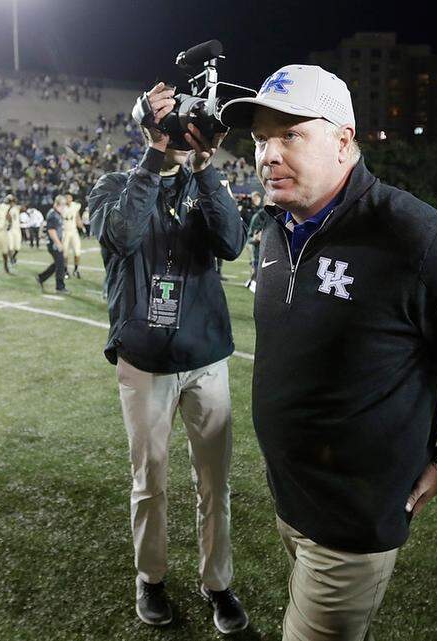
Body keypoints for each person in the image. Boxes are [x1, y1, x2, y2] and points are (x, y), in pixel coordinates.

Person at [219, 64, 437, 641]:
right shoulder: (277, 225)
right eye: (262, 139)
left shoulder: (416, 237)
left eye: (291, 135)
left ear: (344, 142)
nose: (268, 155)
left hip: (353, 519)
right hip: (291, 497)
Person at [88, 81, 249, 634]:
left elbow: (232, 243)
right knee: (149, 480)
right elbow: (123, 235)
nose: (181, 134)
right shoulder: (115, 185)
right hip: (145, 360)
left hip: (205, 357)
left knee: (215, 483)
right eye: (171, 127)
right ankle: (150, 578)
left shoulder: (202, 184)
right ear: (149, 129)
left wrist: (205, 168)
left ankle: (217, 583)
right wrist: (156, 155)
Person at [36, 196, 67, 292]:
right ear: (57, 204)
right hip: (54, 244)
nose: (64, 207)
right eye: (62, 205)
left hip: (55, 243)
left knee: (58, 264)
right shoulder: (53, 215)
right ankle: (60, 287)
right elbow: (51, 230)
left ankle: (41, 277)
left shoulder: (56, 214)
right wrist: (58, 243)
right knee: (60, 265)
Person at [60, 193, 86, 279]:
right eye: (66, 198)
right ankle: (65, 270)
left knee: (77, 251)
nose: (68, 199)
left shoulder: (75, 206)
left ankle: (76, 269)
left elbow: (77, 217)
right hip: (64, 231)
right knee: (65, 253)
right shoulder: (61, 207)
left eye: (69, 197)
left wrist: (81, 226)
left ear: (71, 198)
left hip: (74, 231)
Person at [244, 193, 266, 292]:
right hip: (258, 251)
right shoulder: (258, 216)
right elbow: (249, 238)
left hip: (272, 252)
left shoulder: (280, 216)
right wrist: (255, 238)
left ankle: (251, 281)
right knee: (256, 269)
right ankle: (252, 282)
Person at [6, 194, 23, 265]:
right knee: (10, 246)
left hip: (17, 229)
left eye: (12, 201)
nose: (12, 203)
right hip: (10, 229)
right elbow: (7, 217)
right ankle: (11, 259)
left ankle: (13, 256)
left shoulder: (17, 208)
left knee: (18, 247)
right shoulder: (7, 209)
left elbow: (23, 208)